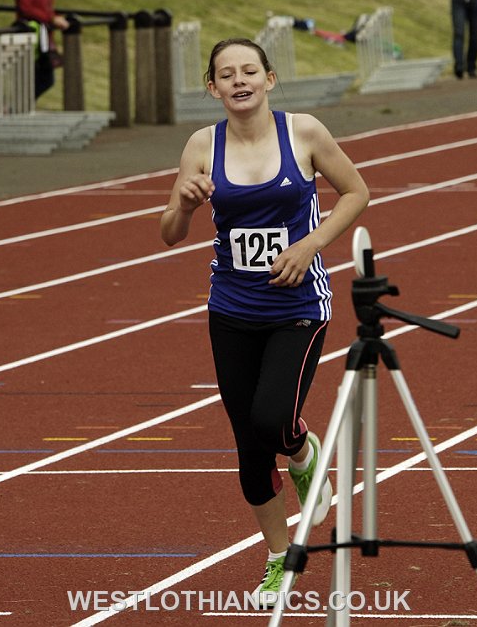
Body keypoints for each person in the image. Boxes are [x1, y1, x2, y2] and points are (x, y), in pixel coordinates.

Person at [161, 38, 369, 607]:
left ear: (269, 79)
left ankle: (302, 451)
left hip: (297, 307)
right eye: (226, 74)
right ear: (213, 88)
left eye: (249, 70)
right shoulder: (202, 145)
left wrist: (310, 244)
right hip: (231, 309)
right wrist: (184, 205)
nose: (239, 80)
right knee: (249, 446)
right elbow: (169, 232)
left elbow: (356, 191)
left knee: (272, 419)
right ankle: (279, 558)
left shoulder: (304, 133)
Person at [11, 0, 70, 99]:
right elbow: (26, 8)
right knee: (40, 77)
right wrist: (52, 18)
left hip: (44, 34)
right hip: (31, 32)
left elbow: (45, 7)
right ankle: (15, 107)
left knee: (43, 77)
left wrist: (56, 16)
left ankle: (19, 107)